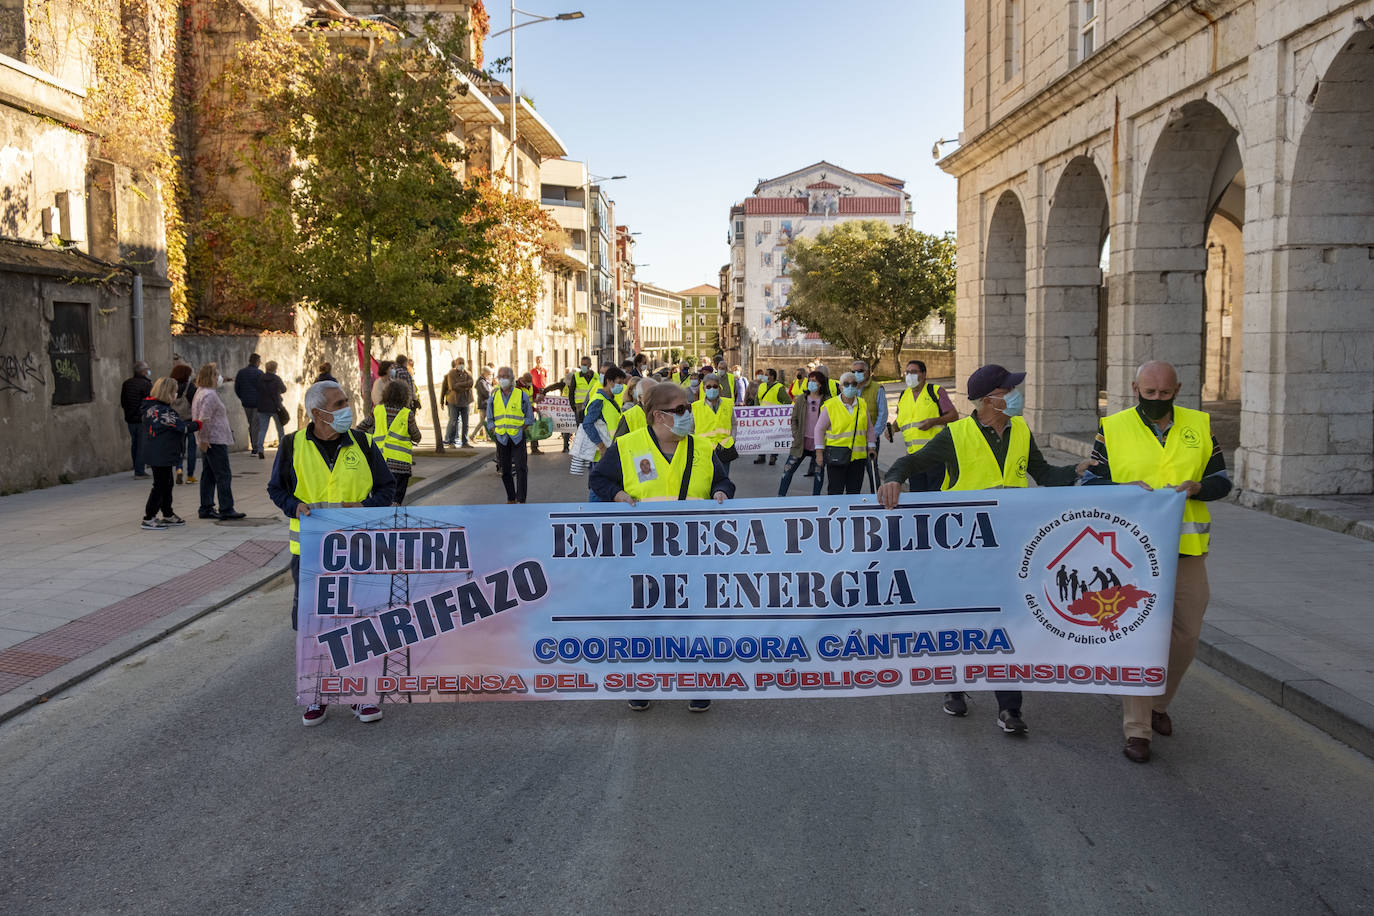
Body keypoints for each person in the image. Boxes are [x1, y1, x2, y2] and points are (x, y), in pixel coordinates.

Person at [878, 364, 1092, 736]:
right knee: (963, 623)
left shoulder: (1021, 430)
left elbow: (1043, 475)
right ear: (989, 399)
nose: (1015, 395)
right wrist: (894, 478)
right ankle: (955, 687)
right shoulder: (957, 436)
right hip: (964, 552)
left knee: (1004, 625)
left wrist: (1077, 469)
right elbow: (912, 462)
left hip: (1011, 550)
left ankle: (1009, 708)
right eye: (1009, 389)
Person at [1082, 360, 1232, 764]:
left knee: (1186, 635)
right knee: (1139, 637)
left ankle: (1160, 703)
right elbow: (1090, 480)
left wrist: (1199, 487)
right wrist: (1120, 488)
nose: (1156, 400)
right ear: (1135, 388)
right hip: (1128, 556)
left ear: (1177, 389)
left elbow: (1223, 480)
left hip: (1186, 552)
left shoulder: (1198, 426)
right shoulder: (1112, 428)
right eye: (1148, 393)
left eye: (1164, 394)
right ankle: (1139, 729)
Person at [589, 382, 735, 714]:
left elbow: (723, 481)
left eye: (689, 408)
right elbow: (598, 480)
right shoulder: (627, 446)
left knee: (695, 620)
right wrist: (617, 495)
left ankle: (697, 683)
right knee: (644, 621)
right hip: (643, 555)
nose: (689, 415)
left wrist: (722, 493)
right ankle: (642, 683)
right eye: (681, 409)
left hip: (694, 553)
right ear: (659, 415)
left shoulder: (703, 448)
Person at [267, 379, 395, 726]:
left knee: (361, 622)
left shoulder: (363, 443)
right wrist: (294, 506)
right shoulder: (292, 445)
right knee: (315, 625)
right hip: (311, 554)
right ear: (317, 413)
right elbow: (276, 490)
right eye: (338, 404)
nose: (346, 409)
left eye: (346, 401)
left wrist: (366, 506)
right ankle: (317, 695)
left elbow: (387, 488)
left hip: (360, 552)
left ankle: (362, 695)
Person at [138, 376, 202, 530]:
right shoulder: (164, 412)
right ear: (167, 393)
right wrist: (199, 423)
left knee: (166, 483)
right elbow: (182, 427)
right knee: (160, 485)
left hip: (157, 452)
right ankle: (149, 517)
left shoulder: (151, 407)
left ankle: (167, 513)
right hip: (161, 453)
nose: (176, 395)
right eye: (174, 392)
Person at [893, 359, 959, 491]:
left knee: (935, 495)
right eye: (907, 372)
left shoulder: (935, 391)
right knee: (917, 495)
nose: (909, 375)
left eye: (913, 372)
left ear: (923, 375)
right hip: (913, 457)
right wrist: (891, 429)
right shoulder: (903, 395)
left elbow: (953, 416)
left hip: (935, 455)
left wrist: (933, 421)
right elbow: (901, 421)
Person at [191, 362, 245, 521]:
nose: (218, 377)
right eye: (216, 374)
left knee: (209, 474)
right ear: (211, 377)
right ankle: (226, 508)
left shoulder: (200, 392)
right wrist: (204, 439)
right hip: (214, 440)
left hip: (209, 439)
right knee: (223, 474)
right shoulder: (209, 395)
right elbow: (205, 419)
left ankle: (206, 507)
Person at [358, 379, 421, 505]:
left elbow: (360, 428)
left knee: (381, 499)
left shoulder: (377, 410)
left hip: (379, 463)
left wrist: (368, 443)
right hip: (401, 466)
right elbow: (417, 437)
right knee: (396, 502)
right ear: (405, 396)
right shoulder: (407, 414)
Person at [813, 371, 874, 496]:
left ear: (857, 386)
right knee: (835, 492)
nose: (850, 387)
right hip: (836, 456)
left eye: (853, 384)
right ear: (840, 387)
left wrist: (872, 447)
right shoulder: (830, 405)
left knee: (854, 492)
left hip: (858, 458)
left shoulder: (862, 404)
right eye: (846, 384)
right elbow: (819, 429)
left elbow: (869, 428)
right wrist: (819, 453)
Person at [778, 369, 832, 497]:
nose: (810, 383)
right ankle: (780, 496)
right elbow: (794, 419)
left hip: (819, 445)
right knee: (787, 470)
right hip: (801, 442)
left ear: (821, 384)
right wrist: (796, 434)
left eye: (814, 381)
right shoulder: (802, 399)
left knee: (819, 473)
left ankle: (816, 499)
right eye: (810, 381)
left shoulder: (828, 401)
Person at [486, 366, 534, 503]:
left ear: (512, 378)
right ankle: (511, 497)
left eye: (505, 376)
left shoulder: (521, 394)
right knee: (505, 470)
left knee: (521, 468)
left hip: (517, 437)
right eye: (500, 376)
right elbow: (490, 418)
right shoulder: (494, 396)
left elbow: (529, 417)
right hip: (501, 438)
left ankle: (521, 498)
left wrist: (521, 427)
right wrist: (493, 429)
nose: (502, 379)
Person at [850, 359, 890, 493]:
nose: (856, 373)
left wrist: (873, 435)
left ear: (868, 372)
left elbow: (883, 414)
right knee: (855, 470)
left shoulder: (877, 389)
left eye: (860, 371)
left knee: (872, 468)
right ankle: (854, 499)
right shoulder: (850, 388)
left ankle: (877, 497)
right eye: (853, 371)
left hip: (869, 439)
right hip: (852, 438)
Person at [692, 372, 736, 470]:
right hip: (703, 450)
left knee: (724, 482)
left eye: (715, 386)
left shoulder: (728, 404)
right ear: (703, 388)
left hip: (724, 448)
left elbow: (733, 424)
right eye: (708, 387)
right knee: (706, 482)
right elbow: (690, 430)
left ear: (719, 388)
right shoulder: (695, 407)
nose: (712, 389)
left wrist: (733, 439)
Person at [583, 366, 627, 458]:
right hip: (601, 455)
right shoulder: (599, 401)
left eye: (622, 384)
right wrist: (602, 447)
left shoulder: (610, 399)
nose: (621, 386)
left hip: (611, 450)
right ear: (609, 381)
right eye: (619, 383)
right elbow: (587, 424)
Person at [751, 367, 791, 465]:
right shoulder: (762, 386)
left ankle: (773, 457)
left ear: (772, 377)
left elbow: (788, 401)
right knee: (762, 437)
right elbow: (757, 399)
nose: (764, 376)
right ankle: (761, 456)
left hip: (775, 418)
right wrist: (756, 411)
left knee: (774, 437)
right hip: (762, 417)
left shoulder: (779, 387)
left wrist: (780, 412)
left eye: (766, 374)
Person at [121, 360, 153, 477]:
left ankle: (136, 467)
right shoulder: (146, 384)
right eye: (147, 369)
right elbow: (149, 402)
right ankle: (139, 471)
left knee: (134, 444)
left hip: (130, 418)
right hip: (141, 419)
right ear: (144, 372)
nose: (149, 371)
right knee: (141, 445)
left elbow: (123, 401)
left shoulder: (126, 383)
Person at [253, 359, 287, 458]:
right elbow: (284, 389)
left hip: (262, 407)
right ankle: (282, 448)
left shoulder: (260, 378)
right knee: (280, 428)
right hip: (276, 407)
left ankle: (260, 449)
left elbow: (257, 390)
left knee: (262, 429)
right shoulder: (276, 379)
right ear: (275, 368)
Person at [170, 365, 197, 485]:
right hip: (190, 421)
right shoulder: (190, 387)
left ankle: (179, 468)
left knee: (179, 448)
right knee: (191, 449)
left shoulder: (171, 386)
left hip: (176, 422)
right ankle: (190, 475)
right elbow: (195, 403)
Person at [233, 354, 263, 457]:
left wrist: (242, 398)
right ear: (257, 362)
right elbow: (262, 388)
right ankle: (255, 448)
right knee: (256, 425)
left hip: (246, 402)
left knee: (251, 424)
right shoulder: (259, 373)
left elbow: (237, 388)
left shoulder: (241, 373)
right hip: (257, 403)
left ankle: (254, 446)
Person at [441, 358, 474, 447]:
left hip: (465, 401)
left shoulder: (468, 373)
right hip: (454, 401)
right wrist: (465, 387)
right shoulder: (451, 373)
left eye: (463, 363)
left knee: (465, 422)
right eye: (459, 363)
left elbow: (471, 383)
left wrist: (459, 384)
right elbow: (452, 387)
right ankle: (451, 441)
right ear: (456, 364)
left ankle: (465, 441)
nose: (461, 365)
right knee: (453, 421)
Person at [472, 366, 492, 443]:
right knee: (483, 422)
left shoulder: (485, 381)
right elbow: (487, 392)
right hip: (483, 404)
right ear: (484, 373)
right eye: (489, 374)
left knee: (485, 421)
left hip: (486, 404)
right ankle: (473, 435)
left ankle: (488, 437)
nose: (490, 375)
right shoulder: (481, 382)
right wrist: (492, 392)